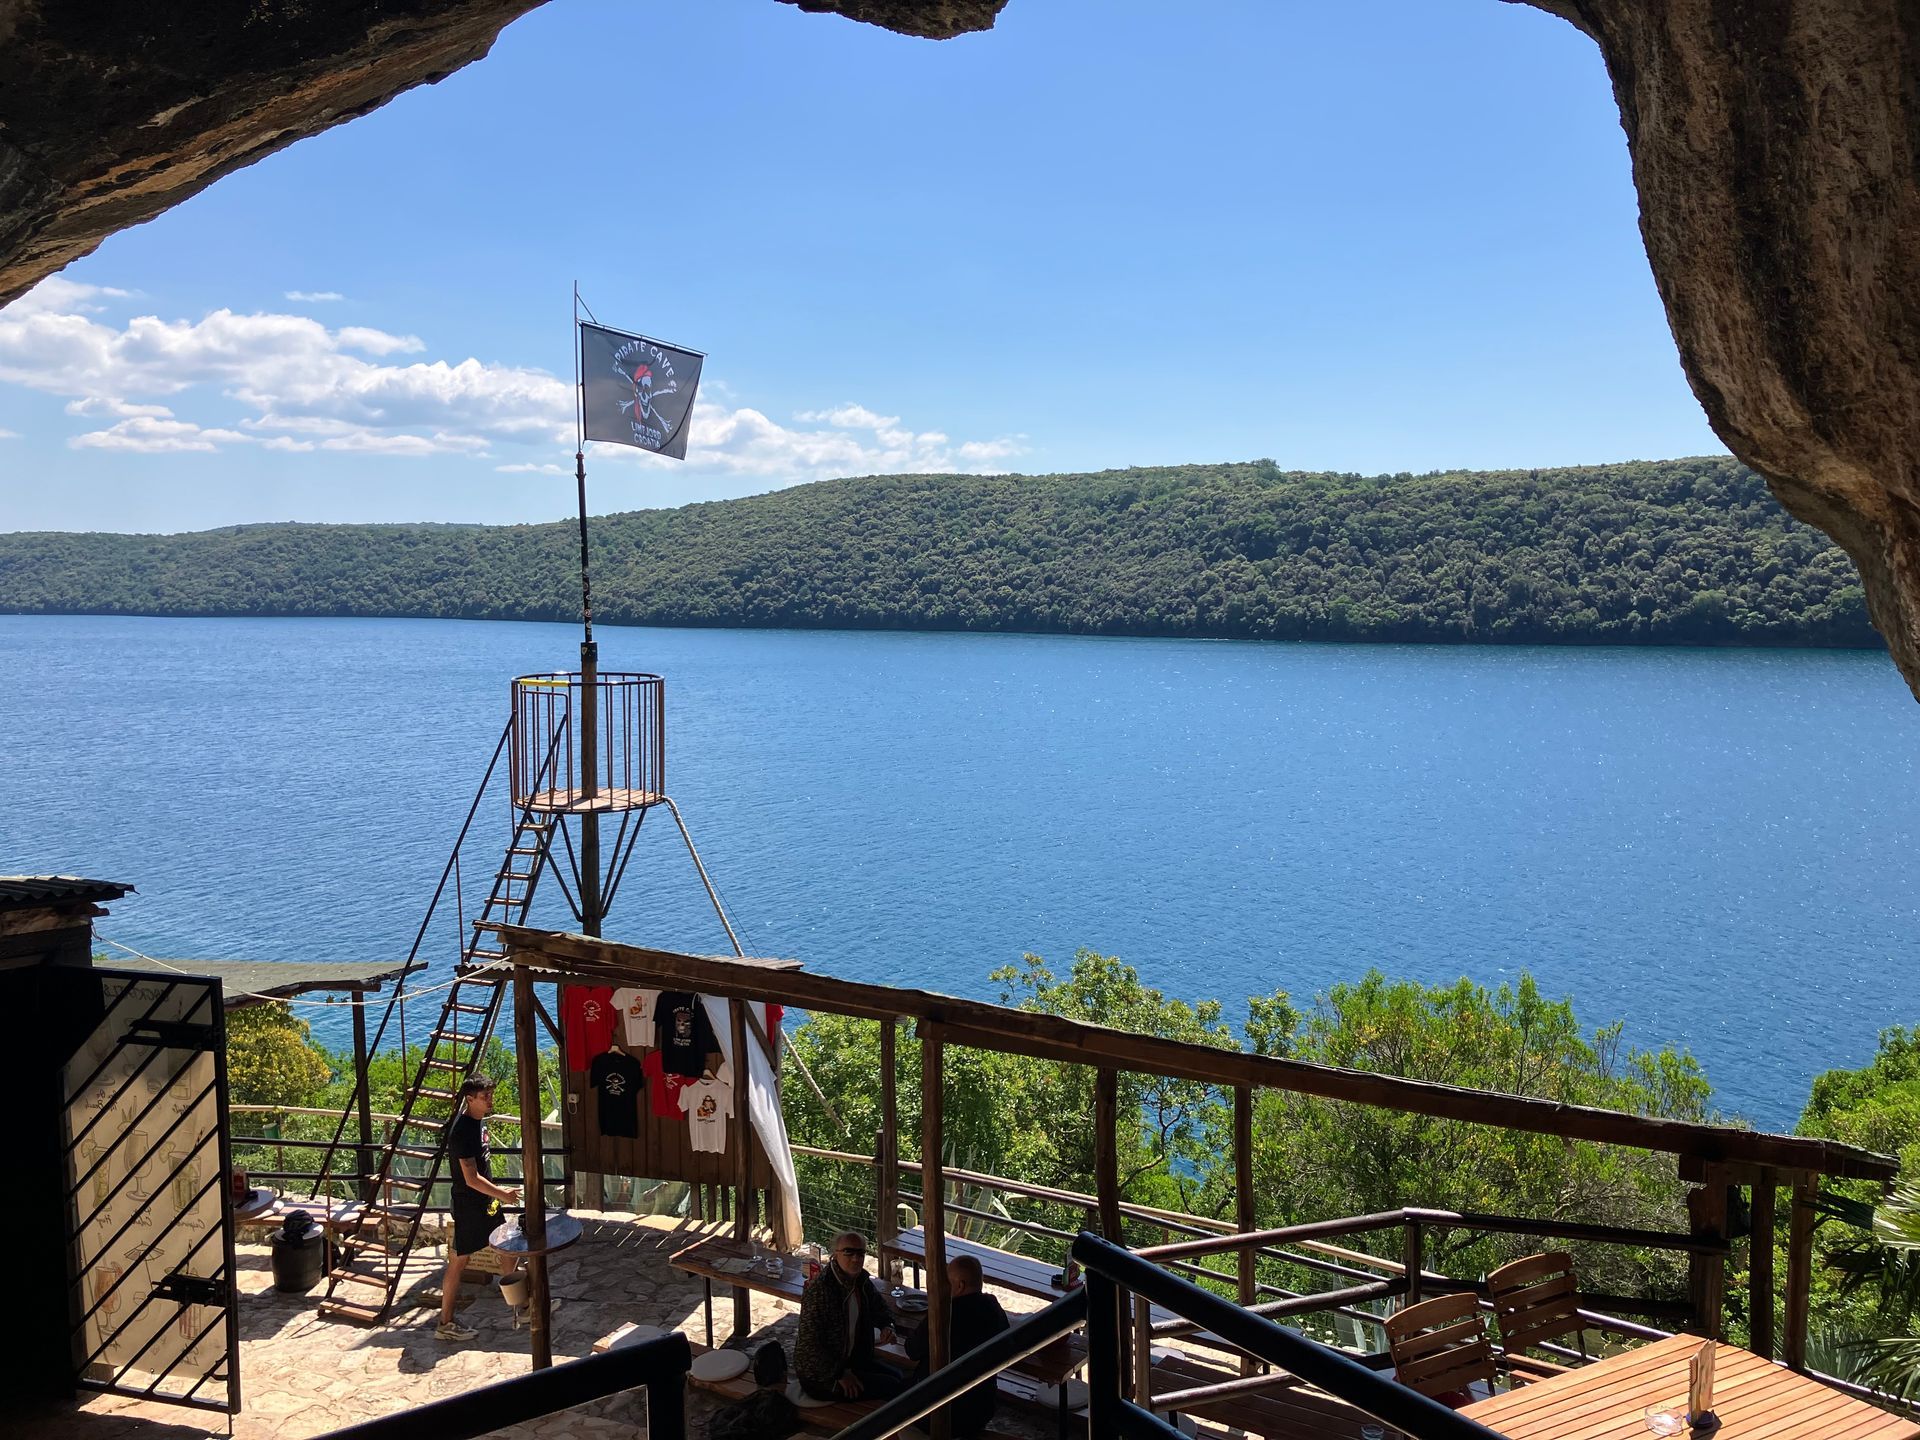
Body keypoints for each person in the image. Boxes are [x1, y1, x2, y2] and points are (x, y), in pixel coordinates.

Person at [437, 1075, 522, 1342]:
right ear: (470, 1099)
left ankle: (524, 1307)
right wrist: (503, 1194)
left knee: (507, 1246)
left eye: (490, 1094)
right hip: (469, 1205)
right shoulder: (462, 1131)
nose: (490, 1099)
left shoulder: (477, 1123)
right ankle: (445, 1323)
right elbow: (471, 1178)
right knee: (459, 1261)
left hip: (485, 1202)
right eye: (485, 1096)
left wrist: (495, 1197)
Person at [905, 1255, 1011, 1437]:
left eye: (947, 1280)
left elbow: (912, 1350)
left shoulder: (944, 1313)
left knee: (897, 1409)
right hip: (980, 1410)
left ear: (960, 1285)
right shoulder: (993, 1308)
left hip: (937, 1413)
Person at [792, 1231, 903, 1401]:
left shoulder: (860, 1281)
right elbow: (809, 1345)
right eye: (848, 1252)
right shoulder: (821, 1290)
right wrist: (840, 1374)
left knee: (900, 1377)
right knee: (894, 1387)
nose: (855, 1258)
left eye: (860, 1253)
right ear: (835, 1255)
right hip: (820, 1376)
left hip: (850, 1362)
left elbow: (880, 1307)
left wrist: (887, 1325)